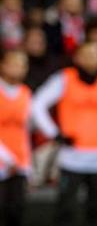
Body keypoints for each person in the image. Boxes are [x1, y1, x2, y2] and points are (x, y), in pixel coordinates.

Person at [32, 41, 97, 226]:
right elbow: (38, 104)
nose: (91, 59)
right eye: (86, 54)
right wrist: (54, 133)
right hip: (71, 157)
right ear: (77, 57)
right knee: (65, 206)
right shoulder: (63, 79)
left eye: (96, 54)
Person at [0, 49, 31, 226]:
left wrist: (27, 165)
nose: (18, 68)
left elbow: (25, 129)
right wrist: (6, 158)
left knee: (16, 209)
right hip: (3, 159)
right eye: (13, 63)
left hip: (19, 160)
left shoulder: (25, 92)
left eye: (22, 65)